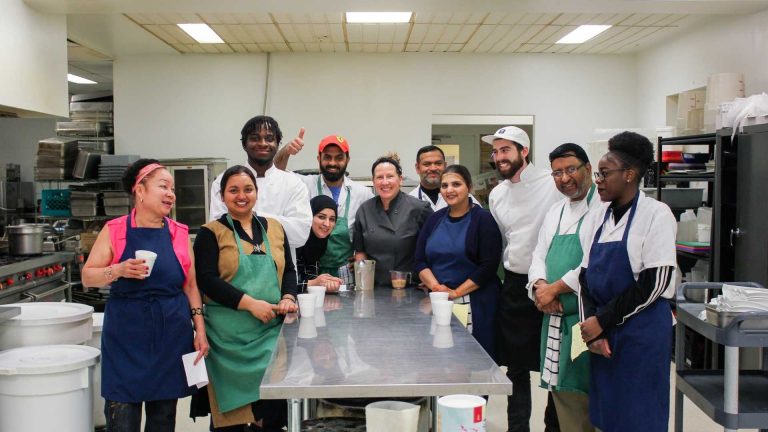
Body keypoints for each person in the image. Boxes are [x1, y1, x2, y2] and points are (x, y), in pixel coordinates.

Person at [82, 159, 209, 432]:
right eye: (163, 186)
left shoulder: (178, 233)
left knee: (163, 418)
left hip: (170, 333)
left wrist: (200, 329)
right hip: (125, 336)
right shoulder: (115, 230)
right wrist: (118, 270)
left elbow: (190, 286)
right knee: (122, 419)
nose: (171, 194)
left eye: (172, 189)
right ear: (140, 190)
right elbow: (87, 276)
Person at [578, 132, 677, 432]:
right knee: (607, 414)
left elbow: (655, 282)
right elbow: (585, 278)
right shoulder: (598, 216)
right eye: (598, 174)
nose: (598, 181)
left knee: (639, 415)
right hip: (603, 334)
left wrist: (603, 320)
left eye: (604, 173)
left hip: (642, 333)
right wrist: (591, 331)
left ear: (630, 174)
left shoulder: (656, 215)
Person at [194, 165, 299, 431]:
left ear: (256, 192)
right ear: (222, 196)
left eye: (248, 189)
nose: (242, 196)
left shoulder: (275, 228)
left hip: (270, 333)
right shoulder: (210, 233)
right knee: (231, 419)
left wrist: (288, 296)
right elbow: (207, 280)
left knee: (271, 413)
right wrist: (251, 304)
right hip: (227, 339)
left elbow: (289, 270)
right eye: (234, 190)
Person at [485, 126, 562, 432]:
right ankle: (518, 427)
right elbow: (505, 241)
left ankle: (554, 427)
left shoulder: (551, 183)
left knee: (555, 363)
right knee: (515, 366)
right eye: (495, 151)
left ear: (524, 151)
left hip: (552, 285)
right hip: (516, 285)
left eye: (506, 150)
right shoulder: (497, 194)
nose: (499, 157)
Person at [528, 143, 601, 432]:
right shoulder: (555, 211)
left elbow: (592, 262)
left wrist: (556, 289)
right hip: (554, 317)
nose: (564, 178)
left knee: (583, 388)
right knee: (562, 390)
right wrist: (539, 286)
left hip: (582, 319)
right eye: (557, 173)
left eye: (571, 169)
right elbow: (538, 255)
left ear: (588, 169)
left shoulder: (602, 209)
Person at [414, 164, 502, 357]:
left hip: (475, 303)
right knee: (441, 358)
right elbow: (420, 260)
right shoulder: (434, 219)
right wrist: (438, 289)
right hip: (440, 301)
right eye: (444, 185)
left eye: (456, 184)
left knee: (472, 360)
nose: (449, 190)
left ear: (469, 187)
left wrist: (455, 292)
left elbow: (488, 266)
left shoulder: (483, 219)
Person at [209, 115, 312, 264]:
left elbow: (300, 234)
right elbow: (218, 232)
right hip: (234, 272)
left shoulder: (293, 184)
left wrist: (252, 216)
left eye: (269, 138)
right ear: (244, 144)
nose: (263, 143)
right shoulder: (223, 181)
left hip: (281, 274)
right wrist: (276, 224)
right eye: (255, 138)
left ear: (277, 144)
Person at [276, 134, 373, 279]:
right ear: (319, 159)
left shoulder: (362, 193)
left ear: (347, 160)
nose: (332, 163)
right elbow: (276, 173)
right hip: (311, 272)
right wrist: (286, 152)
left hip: (346, 274)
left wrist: (363, 255)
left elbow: (375, 227)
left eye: (339, 158)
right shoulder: (304, 184)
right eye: (327, 157)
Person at [353, 154, 433, 286]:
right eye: (379, 177)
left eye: (390, 176)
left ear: (400, 179)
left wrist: (430, 280)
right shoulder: (364, 210)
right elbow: (360, 252)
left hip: (412, 288)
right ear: (373, 181)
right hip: (375, 287)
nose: (385, 182)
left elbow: (435, 249)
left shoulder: (419, 209)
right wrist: (363, 284)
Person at [296, 195, 345, 292]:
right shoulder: (295, 242)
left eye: (332, 219)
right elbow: (281, 284)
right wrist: (314, 283)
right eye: (321, 217)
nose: (327, 224)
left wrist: (326, 282)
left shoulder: (318, 244)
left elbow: (309, 277)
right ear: (310, 216)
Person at [408, 145, 478, 210]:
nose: (433, 168)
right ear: (417, 168)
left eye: (438, 163)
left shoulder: (464, 198)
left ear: (445, 166)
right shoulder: (409, 201)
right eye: (427, 164)